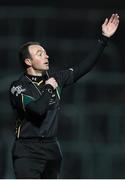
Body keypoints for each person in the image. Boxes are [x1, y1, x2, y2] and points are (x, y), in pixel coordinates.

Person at [9, 13, 119, 179]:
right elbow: (38, 110)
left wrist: (104, 39)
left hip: (52, 149)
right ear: (28, 62)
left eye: (45, 53)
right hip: (27, 150)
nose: (46, 56)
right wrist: (48, 88)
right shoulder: (18, 87)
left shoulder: (56, 79)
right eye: (39, 53)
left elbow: (84, 67)